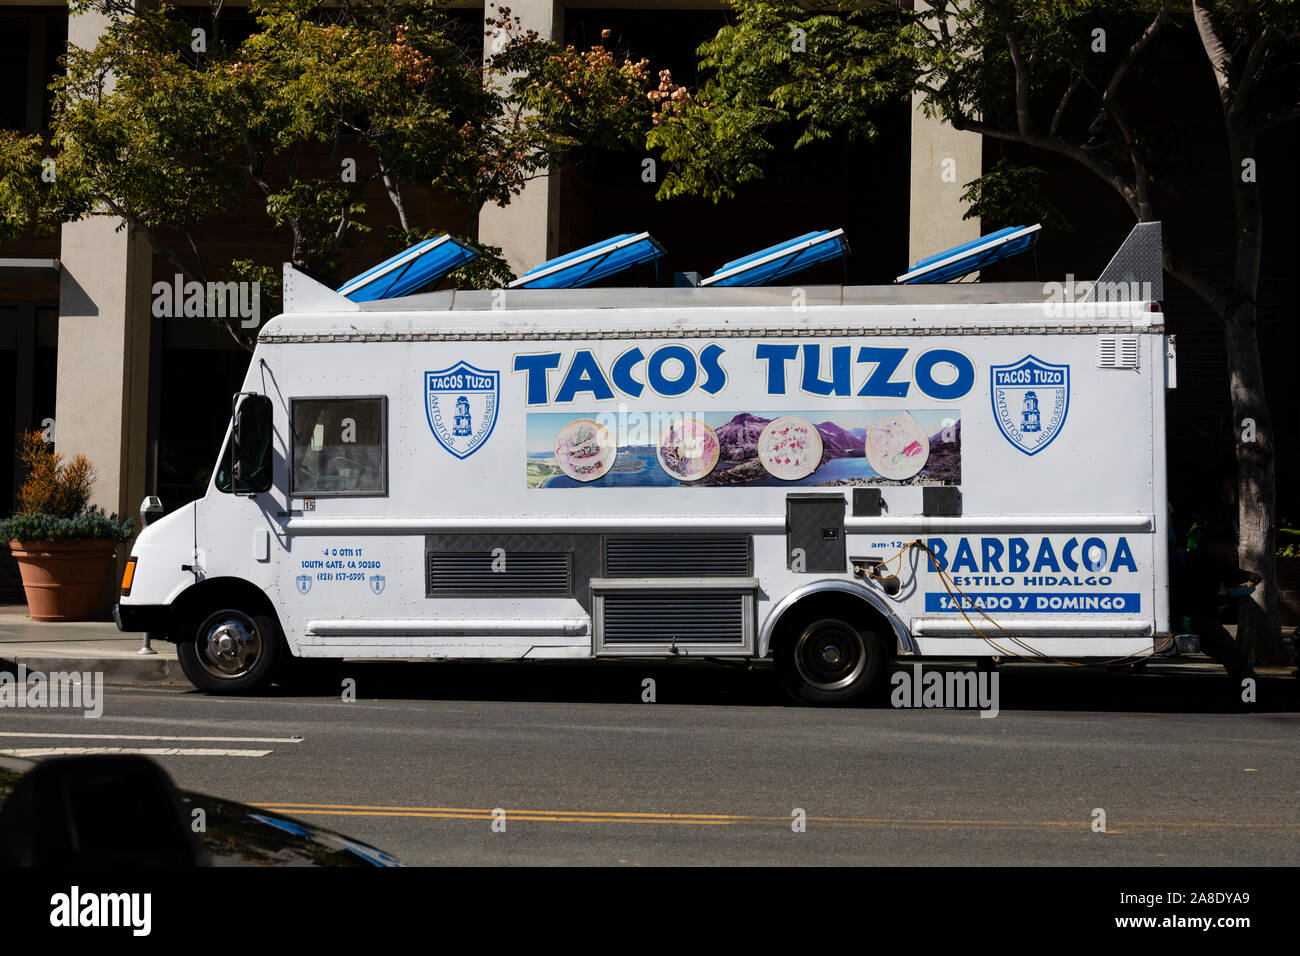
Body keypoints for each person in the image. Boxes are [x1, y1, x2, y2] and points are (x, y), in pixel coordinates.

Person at [1169, 527, 1260, 697]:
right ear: (1219, 545)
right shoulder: (1206, 559)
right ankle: (1251, 697)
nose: (1232, 554)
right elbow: (1227, 574)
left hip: (1196, 617)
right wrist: (1249, 576)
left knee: (1230, 655)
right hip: (1199, 619)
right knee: (1234, 655)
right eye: (1231, 549)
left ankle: (1246, 695)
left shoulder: (1195, 558)